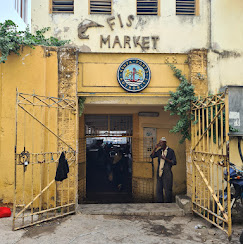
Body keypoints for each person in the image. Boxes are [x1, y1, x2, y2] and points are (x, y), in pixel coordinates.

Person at [150, 137, 176, 203]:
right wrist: (155, 148)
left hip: (167, 173)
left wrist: (165, 159)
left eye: (161, 142)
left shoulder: (170, 151)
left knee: (167, 190)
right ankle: (159, 203)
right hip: (159, 173)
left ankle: (168, 204)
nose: (160, 144)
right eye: (159, 143)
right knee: (159, 189)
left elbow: (174, 162)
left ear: (165, 143)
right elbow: (152, 156)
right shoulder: (159, 151)